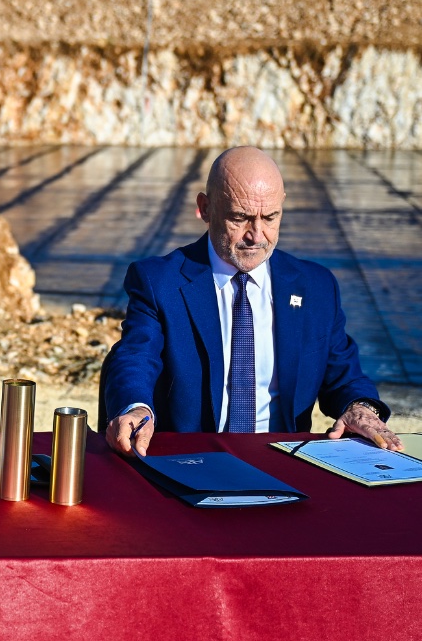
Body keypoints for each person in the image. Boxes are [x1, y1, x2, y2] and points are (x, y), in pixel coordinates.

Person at [103, 146, 400, 456]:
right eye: (240, 218)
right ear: (205, 208)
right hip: (190, 461)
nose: (256, 236)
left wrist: (359, 407)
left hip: (283, 462)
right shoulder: (159, 281)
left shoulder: (317, 287)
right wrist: (136, 408)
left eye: (270, 217)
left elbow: (343, 375)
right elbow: (136, 356)